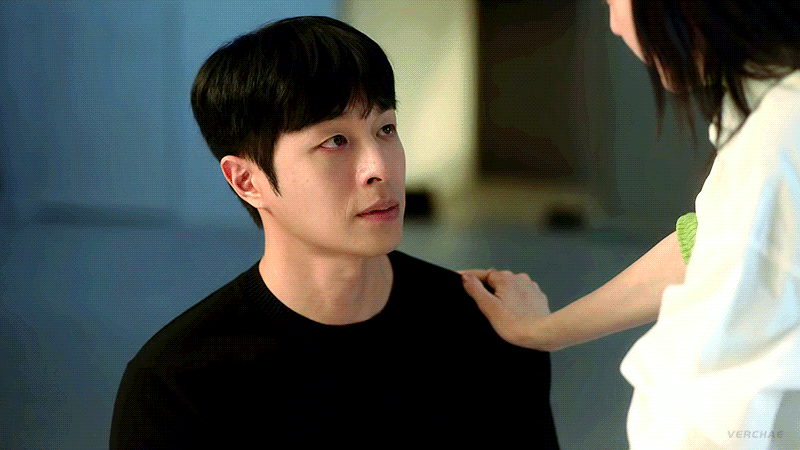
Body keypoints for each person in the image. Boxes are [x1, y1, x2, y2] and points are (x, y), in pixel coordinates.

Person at [109, 16, 559, 449]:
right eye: (335, 141)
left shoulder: (489, 327)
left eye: (385, 128)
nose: (379, 168)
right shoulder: (178, 386)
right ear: (247, 181)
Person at [462, 1, 800, 448]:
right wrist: (546, 330)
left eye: (614, 1)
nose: (616, 25)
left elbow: (711, 418)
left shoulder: (776, 145)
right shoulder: (775, 110)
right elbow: (706, 242)